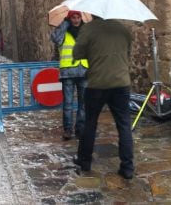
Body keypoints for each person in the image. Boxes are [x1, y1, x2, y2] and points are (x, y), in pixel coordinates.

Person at [72, 16, 134, 180]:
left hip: (97, 84)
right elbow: (128, 52)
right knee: (124, 125)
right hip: (121, 83)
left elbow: (76, 53)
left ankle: (84, 161)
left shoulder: (89, 29)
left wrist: (91, 53)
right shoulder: (123, 29)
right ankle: (127, 167)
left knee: (90, 122)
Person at [50, 11, 88, 141]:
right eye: (73, 17)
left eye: (78, 17)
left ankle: (80, 129)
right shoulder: (64, 32)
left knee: (83, 104)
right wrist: (65, 23)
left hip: (84, 71)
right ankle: (68, 129)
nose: (76, 20)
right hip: (68, 73)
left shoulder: (85, 32)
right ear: (69, 18)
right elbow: (55, 38)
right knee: (68, 103)